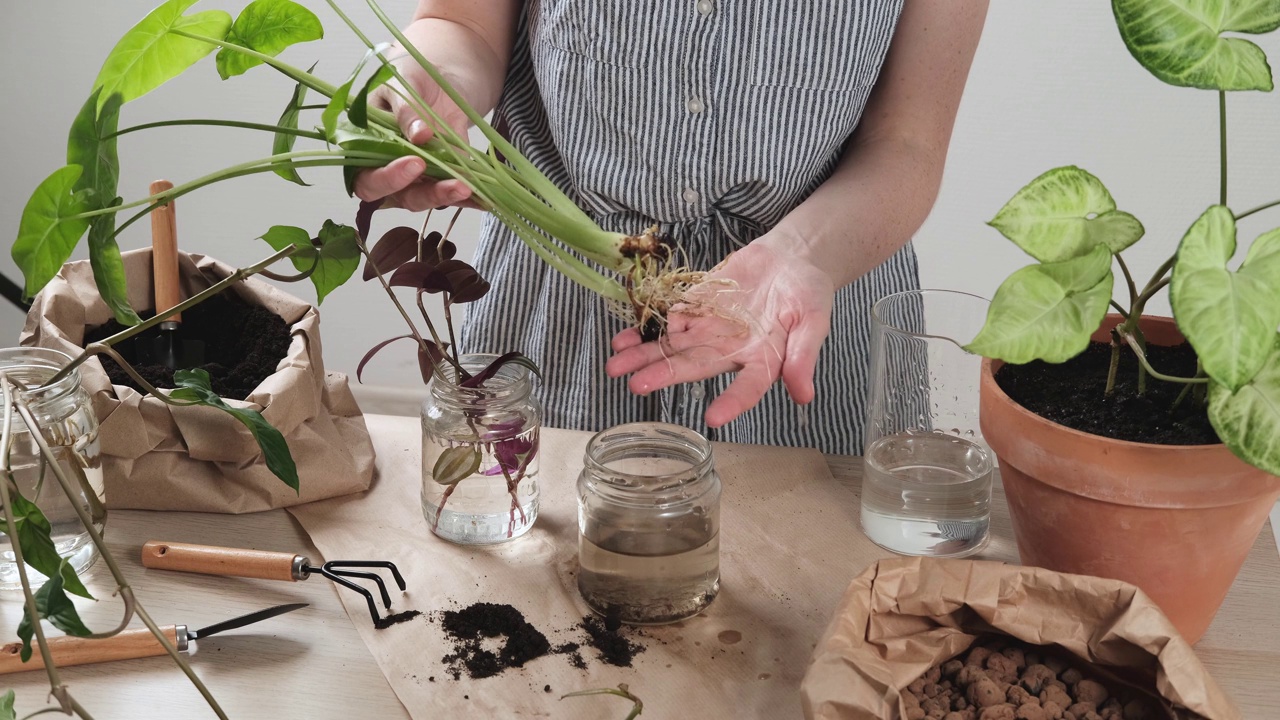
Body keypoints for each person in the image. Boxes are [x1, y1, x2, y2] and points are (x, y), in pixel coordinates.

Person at [356, 1, 989, 455]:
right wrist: (428, 83)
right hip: (560, 313)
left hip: (810, 310)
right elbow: (463, 25)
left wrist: (804, 254)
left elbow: (906, 143)